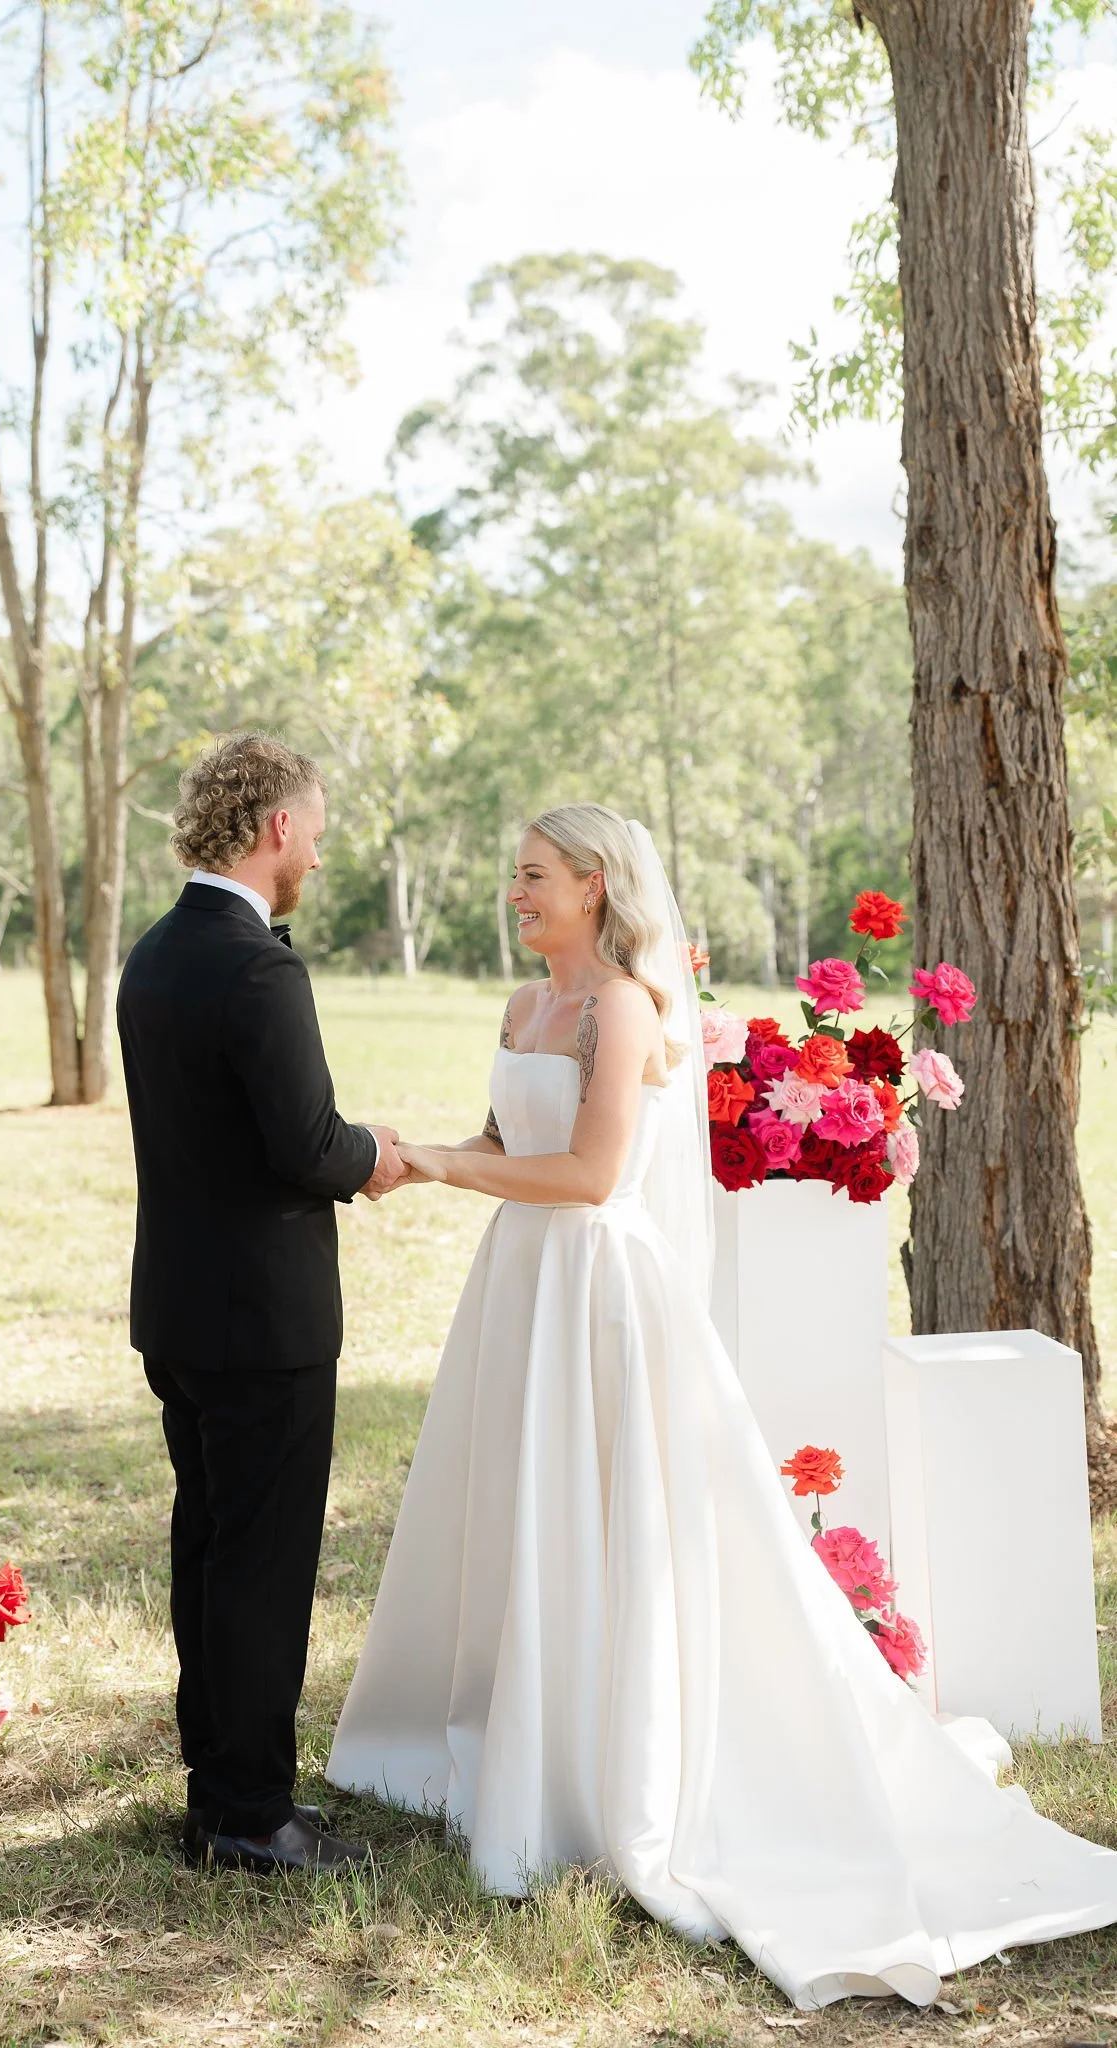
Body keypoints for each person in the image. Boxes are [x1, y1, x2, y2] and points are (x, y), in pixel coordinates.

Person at [327, 801, 1117, 2010]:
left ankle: (615, 1769)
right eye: (516, 877)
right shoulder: (523, 1005)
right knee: (527, 1505)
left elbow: (590, 1175)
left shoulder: (623, 1006)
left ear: (596, 884)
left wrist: (430, 1164)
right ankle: (527, 1742)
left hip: (597, 1281)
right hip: (523, 1279)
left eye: (536, 876)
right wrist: (422, 1150)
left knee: (615, 1514)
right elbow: (508, 1136)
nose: (516, 893)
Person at [117, 732, 405, 1874]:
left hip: (179, 1310)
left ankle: (215, 1791)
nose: (320, 855)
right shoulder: (258, 968)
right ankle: (250, 1815)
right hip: (262, 1323)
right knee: (263, 1564)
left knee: (210, 1547)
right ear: (275, 825)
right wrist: (381, 1151)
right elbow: (311, 1146)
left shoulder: (153, 952)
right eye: (317, 830)